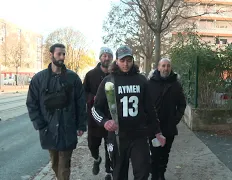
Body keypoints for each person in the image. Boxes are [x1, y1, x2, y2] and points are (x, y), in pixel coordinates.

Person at [91, 45, 166, 180]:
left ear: (133, 60)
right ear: (117, 61)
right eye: (122, 60)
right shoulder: (109, 81)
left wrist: (157, 131)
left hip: (139, 135)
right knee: (119, 174)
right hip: (118, 136)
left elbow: (150, 108)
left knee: (143, 172)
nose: (126, 64)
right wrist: (104, 122)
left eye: (129, 60)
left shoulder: (141, 80)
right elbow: (96, 108)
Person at [26, 43, 87, 180]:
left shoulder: (73, 78)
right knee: (55, 163)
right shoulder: (39, 79)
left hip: (68, 127)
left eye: (64, 54)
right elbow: (32, 103)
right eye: (59, 54)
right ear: (51, 55)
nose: (62, 57)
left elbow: (80, 103)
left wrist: (81, 125)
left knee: (64, 165)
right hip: (49, 129)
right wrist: (40, 124)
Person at [147, 58, 186, 180]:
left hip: (169, 126)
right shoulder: (150, 83)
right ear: (158, 67)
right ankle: (154, 175)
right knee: (154, 153)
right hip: (154, 126)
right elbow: (145, 104)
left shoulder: (176, 84)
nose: (166, 68)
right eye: (163, 66)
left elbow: (182, 104)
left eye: (168, 66)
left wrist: (175, 119)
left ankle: (161, 174)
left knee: (165, 153)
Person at [83, 47, 114, 180]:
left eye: (108, 56)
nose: (106, 58)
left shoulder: (115, 75)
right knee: (92, 145)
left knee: (110, 147)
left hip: (110, 117)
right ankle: (97, 159)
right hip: (94, 117)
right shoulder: (91, 74)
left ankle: (108, 171)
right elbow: (83, 93)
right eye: (104, 56)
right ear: (100, 57)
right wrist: (92, 98)